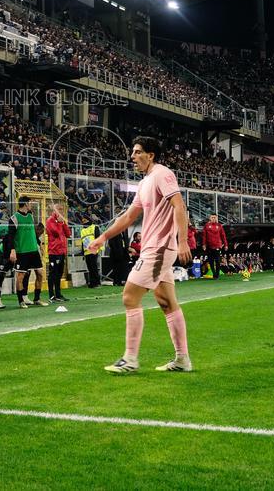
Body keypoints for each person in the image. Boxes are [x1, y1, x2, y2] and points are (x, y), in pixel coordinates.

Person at [88, 136, 193, 373]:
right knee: (167, 302)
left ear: (151, 155)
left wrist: (183, 240)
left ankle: (130, 359)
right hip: (155, 249)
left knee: (129, 296)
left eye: (137, 152)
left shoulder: (162, 174)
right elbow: (128, 217)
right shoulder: (145, 182)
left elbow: (179, 206)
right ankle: (182, 359)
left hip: (159, 249)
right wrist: (103, 237)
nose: (132, 157)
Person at [4, 196, 47, 308]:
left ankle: (37, 298)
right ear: (25, 204)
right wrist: (12, 251)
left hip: (33, 251)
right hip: (22, 252)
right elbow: (10, 237)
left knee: (40, 274)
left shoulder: (30, 216)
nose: (31, 204)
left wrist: (39, 244)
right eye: (30, 202)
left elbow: (32, 232)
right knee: (20, 276)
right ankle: (21, 301)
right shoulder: (14, 218)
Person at [44, 203, 70, 302]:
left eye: (62, 209)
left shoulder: (61, 221)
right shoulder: (50, 220)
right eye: (59, 209)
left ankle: (58, 294)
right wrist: (60, 223)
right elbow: (56, 233)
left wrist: (63, 223)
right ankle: (51, 296)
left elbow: (68, 234)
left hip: (62, 252)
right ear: (54, 210)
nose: (61, 211)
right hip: (54, 252)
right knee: (52, 274)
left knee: (59, 274)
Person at [201, 214, 227, 279]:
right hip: (209, 246)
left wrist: (225, 244)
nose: (213, 219)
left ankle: (217, 274)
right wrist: (204, 244)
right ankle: (214, 273)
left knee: (218, 260)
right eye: (212, 217)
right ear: (210, 218)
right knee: (211, 261)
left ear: (217, 218)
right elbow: (204, 236)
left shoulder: (219, 225)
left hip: (218, 245)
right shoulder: (206, 226)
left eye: (215, 217)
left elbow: (223, 235)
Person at [80, 215, 102, 288]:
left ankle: (96, 282)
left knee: (93, 267)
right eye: (83, 221)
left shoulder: (94, 227)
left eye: (85, 220)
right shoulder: (82, 230)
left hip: (93, 250)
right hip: (86, 251)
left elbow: (98, 238)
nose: (84, 222)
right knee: (90, 268)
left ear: (88, 220)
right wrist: (83, 252)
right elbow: (82, 241)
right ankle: (92, 282)